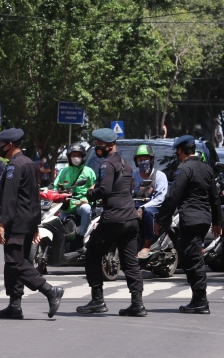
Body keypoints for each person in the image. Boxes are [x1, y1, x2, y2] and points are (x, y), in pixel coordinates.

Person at [0, 128, 64, 319]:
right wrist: (35, 225)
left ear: (9, 145)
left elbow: (10, 199)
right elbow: (34, 197)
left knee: (14, 261)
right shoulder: (30, 164)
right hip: (27, 221)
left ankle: (50, 291)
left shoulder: (14, 166)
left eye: (1, 145)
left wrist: (2, 224)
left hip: (15, 223)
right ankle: (14, 305)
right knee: (15, 263)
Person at [76, 128, 146, 317]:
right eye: (96, 144)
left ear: (110, 145)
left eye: (100, 145)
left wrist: (90, 193)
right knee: (130, 261)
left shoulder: (107, 165)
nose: (97, 148)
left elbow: (104, 191)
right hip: (131, 218)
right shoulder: (126, 165)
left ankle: (97, 300)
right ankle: (137, 304)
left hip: (114, 218)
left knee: (91, 253)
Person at [155, 135, 222, 314]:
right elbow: (215, 198)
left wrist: (161, 220)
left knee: (193, 260)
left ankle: (200, 300)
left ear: (180, 150)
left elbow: (173, 196)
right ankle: (197, 299)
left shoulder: (184, 169)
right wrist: (217, 222)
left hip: (190, 219)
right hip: (204, 219)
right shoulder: (206, 168)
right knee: (190, 257)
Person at [54, 143, 96, 251]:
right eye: (73, 155)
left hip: (81, 205)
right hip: (66, 205)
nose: (75, 158)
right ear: (69, 157)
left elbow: (95, 189)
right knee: (55, 221)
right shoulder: (63, 171)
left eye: (78, 155)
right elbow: (55, 186)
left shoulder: (89, 172)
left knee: (86, 210)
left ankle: (81, 237)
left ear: (83, 157)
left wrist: (85, 201)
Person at [132, 145, 168, 258]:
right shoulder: (132, 176)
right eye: (140, 159)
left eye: (145, 159)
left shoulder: (160, 176)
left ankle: (147, 244)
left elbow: (160, 198)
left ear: (151, 159)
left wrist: (142, 208)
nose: (143, 162)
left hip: (154, 208)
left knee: (147, 212)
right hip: (135, 206)